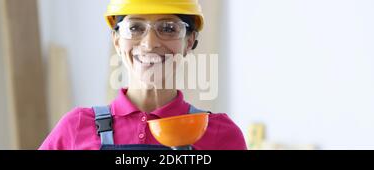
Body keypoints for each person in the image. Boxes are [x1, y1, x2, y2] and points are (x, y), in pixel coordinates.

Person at [39, 0, 247, 150]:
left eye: (167, 28)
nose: (149, 43)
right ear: (117, 41)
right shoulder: (76, 127)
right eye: (135, 28)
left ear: (189, 41)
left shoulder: (219, 133)